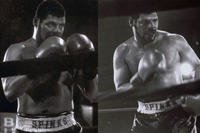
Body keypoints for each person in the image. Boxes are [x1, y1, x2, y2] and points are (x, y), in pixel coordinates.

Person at [1, 0, 97, 132]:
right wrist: (36, 67)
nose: (57, 31)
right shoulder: (18, 50)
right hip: (29, 128)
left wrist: (89, 71)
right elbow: (9, 93)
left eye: (61, 26)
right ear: (36, 22)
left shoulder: (69, 50)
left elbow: (92, 95)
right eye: (51, 25)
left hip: (66, 127)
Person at [113, 12, 200, 133]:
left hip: (178, 114)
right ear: (131, 22)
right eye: (145, 22)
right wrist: (140, 78)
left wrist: (197, 96)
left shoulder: (175, 40)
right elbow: (120, 89)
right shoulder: (122, 51)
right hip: (144, 118)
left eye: (155, 20)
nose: (152, 26)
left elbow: (198, 66)